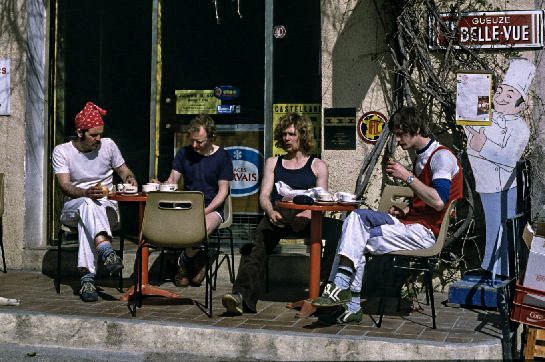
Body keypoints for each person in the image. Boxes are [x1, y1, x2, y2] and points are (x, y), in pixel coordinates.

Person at [312, 106, 463, 325]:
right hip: (411, 225)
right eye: (396, 134)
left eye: (401, 133)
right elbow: (428, 204)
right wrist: (407, 210)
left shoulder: (441, 158)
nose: (398, 139)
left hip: (426, 234)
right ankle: (347, 298)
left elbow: (439, 201)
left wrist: (407, 177)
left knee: (354, 236)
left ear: (417, 128)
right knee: (355, 222)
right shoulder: (422, 156)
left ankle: (342, 291)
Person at [222, 112, 328, 315]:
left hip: (308, 218)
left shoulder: (317, 165)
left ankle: (326, 292)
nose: (287, 138)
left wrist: (307, 214)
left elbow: (323, 198)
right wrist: (270, 211)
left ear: (303, 135)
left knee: (340, 233)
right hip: (279, 216)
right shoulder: (273, 163)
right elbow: (264, 195)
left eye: (291, 134)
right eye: (284, 134)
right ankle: (241, 296)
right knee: (258, 244)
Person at [52, 101, 138, 302]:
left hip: (106, 208)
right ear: (80, 132)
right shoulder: (62, 151)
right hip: (73, 206)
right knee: (86, 204)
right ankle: (106, 250)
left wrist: (129, 179)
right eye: (93, 135)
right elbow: (65, 186)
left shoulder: (108, 145)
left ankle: (87, 279)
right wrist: (85, 192)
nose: (98, 139)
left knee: (87, 218)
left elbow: (124, 170)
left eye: (100, 134)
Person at [465, 58, 536, 278]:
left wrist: (483, 144)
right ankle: (492, 268)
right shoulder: (487, 115)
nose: (501, 97)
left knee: (501, 228)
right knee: (492, 227)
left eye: (509, 95)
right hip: (485, 183)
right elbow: (470, 123)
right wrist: (469, 89)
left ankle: (500, 272)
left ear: (522, 105)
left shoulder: (520, 129)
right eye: (500, 91)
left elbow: (508, 157)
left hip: (503, 186)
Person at [153, 114, 233, 287]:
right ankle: (198, 258)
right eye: (193, 141)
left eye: (200, 142)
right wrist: (162, 185)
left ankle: (182, 260)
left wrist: (206, 211)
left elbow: (223, 192)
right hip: (186, 206)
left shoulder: (222, 157)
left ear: (211, 137)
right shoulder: (184, 153)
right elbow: (173, 180)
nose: (195, 145)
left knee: (200, 227)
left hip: (211, 207)